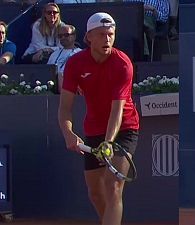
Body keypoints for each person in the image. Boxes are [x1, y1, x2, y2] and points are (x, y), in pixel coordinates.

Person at [58, 12, 139, 225]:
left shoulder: (123, 64)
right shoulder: (75, 64)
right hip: (94, 129)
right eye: (101, 34)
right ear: (88, 37)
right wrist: (68, 133)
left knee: (113, 187)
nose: (107, 39)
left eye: (111, 34)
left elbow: (117, 110)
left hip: (124, 128)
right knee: (95, 192)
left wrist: (109, 143)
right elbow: (65, 108)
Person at [47, 24, 81, 91]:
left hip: (70, 88)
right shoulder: (54, 54)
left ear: (74, 36)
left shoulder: (80, 54)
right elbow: (47, 71)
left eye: (66, 35)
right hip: (52, 87)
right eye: (60, 36)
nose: (63, 38)